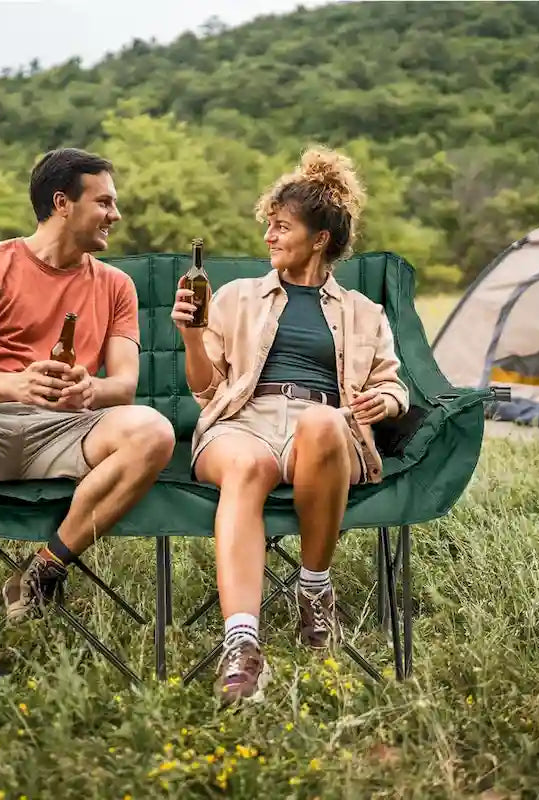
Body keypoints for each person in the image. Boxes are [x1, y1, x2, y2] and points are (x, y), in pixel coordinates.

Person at [0, 148, 175, 687]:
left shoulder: (115, 285)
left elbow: (125, 384)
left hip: (69, 428)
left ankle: (42, 571)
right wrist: (15, 384)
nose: (116, 214)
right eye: (105, 202)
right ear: (62, 203)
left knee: (153, 430)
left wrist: (92, 389)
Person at [170, 147, 409, 706]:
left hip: (322, 433)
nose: (269, 238)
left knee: (325, 422)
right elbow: (206, 390)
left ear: (320, 238)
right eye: (269, 227)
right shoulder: (235, 298)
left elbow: (395, 386)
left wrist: (385, 403)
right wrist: (189, 335)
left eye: (282, 227)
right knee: (248, 464)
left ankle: (313, 586)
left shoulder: (363, 312)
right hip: (241, 423)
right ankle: (242, 646)